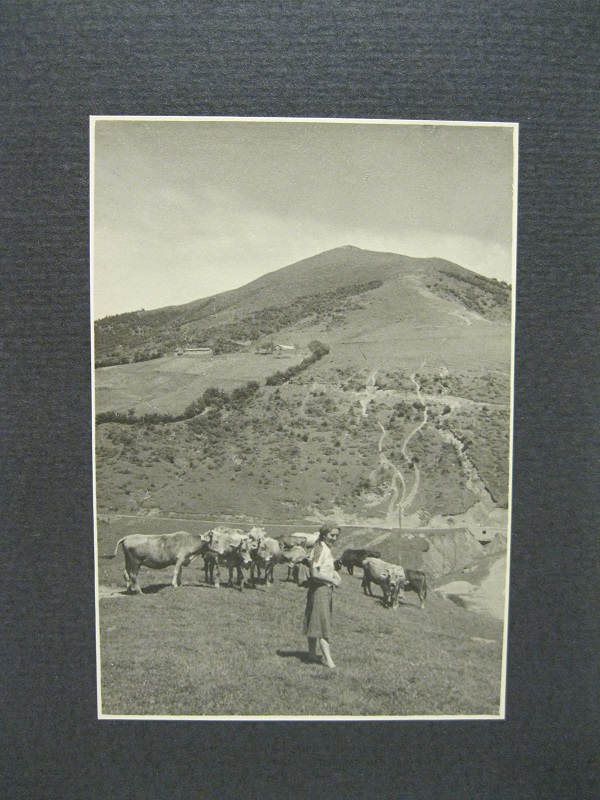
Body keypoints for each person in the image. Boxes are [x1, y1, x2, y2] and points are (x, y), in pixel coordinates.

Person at [303, 524, 341, 669]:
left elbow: (325, 568)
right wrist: (332, 580)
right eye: (332, 535)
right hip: (320, 590)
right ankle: (329, 661)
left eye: (336, 535)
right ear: (324, 534)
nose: (334, 538)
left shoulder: (324, 548)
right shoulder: (320, 549)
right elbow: (315, 574)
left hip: (323, 589)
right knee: (323, 624)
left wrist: (334, 573)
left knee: (315, 621)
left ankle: (312, 654)